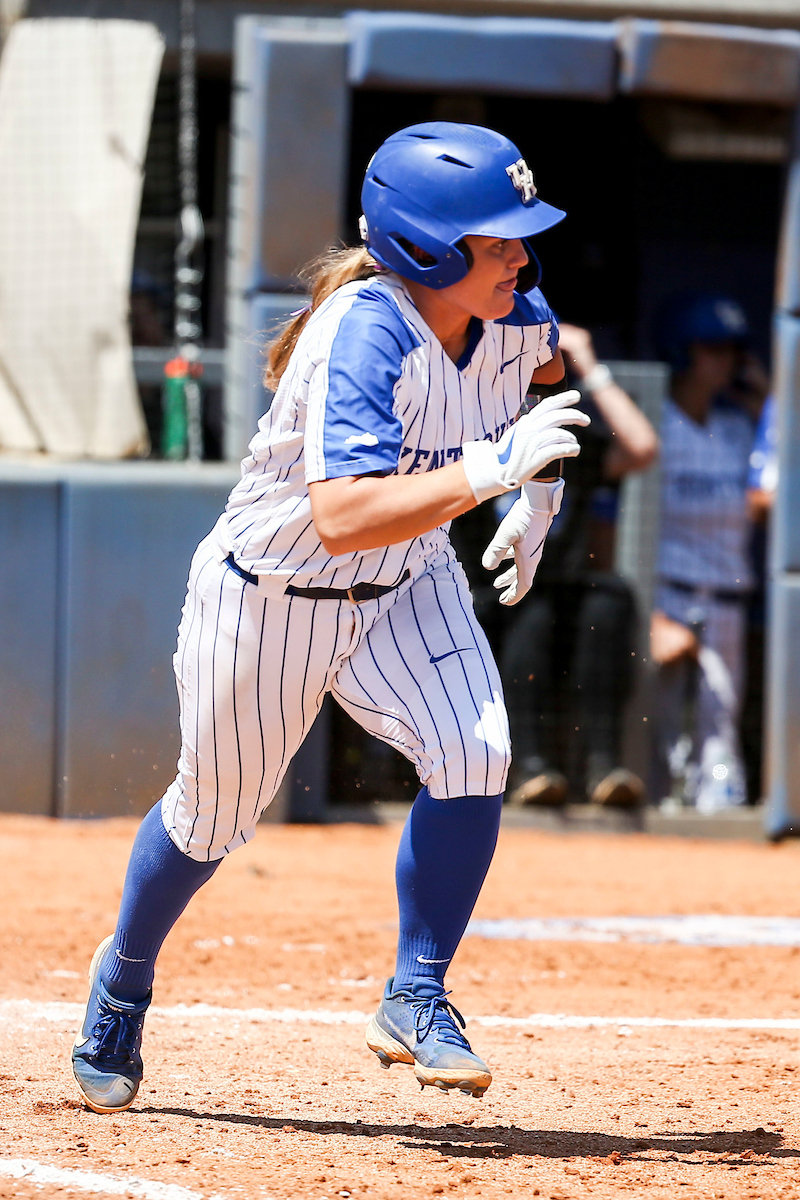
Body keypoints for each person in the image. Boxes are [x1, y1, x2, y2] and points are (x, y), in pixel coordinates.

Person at [71, 122, 590, 1112]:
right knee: (210, 818)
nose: (522, 252)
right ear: (426, 247)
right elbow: (342, 515)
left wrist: (537, 499)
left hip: (408, 577)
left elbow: (542, 389)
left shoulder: (518, 312)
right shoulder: (361, 329)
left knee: (476, 749)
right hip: (272, 596)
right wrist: (492, 470)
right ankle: (125, 975)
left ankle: (417, 991)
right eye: (496, 236)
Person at [499, 323, 658, 808]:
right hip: (488, 596)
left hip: (559, 588)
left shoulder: (566, 440)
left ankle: (603, 767)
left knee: (609, 601)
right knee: (532, 614)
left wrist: (588, 363)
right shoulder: (470, 430)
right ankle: (527, 767)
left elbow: (642, 448)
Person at [650, 292, 760, 811]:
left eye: (734, 351)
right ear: (683, 350)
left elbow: (771, 497)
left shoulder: (740, 428)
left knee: (721, 721)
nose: (727, 361)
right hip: (667, 593)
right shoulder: (658, 425)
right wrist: (649, 615)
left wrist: (767, 403)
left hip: (728, 599)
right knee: (662, 732)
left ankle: (718, 825)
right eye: (713, 348)